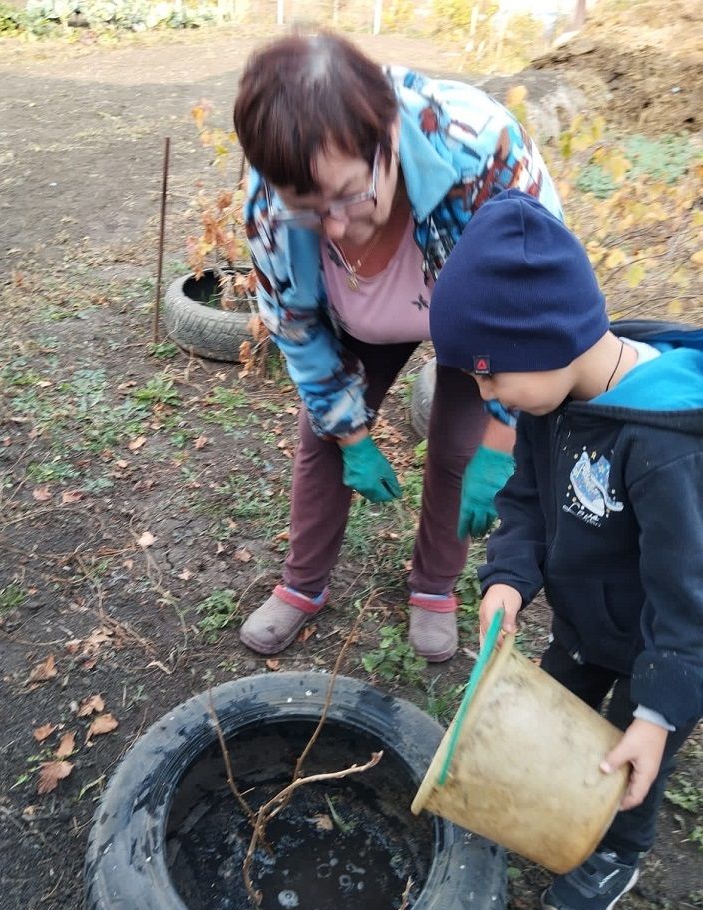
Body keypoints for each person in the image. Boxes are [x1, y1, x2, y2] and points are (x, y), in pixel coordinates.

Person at [231, 32, 562, 661]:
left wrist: (501, 445)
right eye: (308, 209)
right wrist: (353, 438)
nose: (333, 226)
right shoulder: (269, 204)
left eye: (348, 195)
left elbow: (534, 308)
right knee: (321, 439)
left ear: (386, 138)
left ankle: (435, 586)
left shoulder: (481, 152)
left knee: (461, 449)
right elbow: (296, 329)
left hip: (477, 318)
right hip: (359, 316)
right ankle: (302, 585)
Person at [430, 188, 703, 910]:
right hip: (586, 624)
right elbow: (525, 501)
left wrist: (657, 712)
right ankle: (555, 802)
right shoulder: (552, 405)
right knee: (558, 714)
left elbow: (689, 596)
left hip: (662, 639)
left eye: (490, 376)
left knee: (627, 759)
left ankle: (619, 849)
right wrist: (510, 579)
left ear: (548, 339)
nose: (488, 396)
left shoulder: (662, 448)